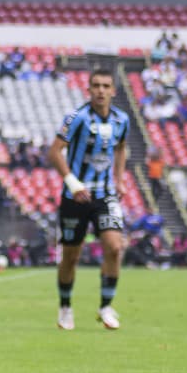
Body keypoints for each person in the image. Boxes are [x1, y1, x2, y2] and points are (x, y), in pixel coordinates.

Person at [47, 68, 129, 331]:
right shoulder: (76, 118)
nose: (101, 90)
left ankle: (106, 306)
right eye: (96, 85)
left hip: (105, 194)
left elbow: (121, 148)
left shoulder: (122, 120)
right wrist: (73, 183)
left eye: (105, 86)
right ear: (89, 89)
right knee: (71, 256)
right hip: (75, 197)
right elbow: (55, 152)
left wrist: (119, 179)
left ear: (113, 90)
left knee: (114, 247)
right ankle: (65, 307)